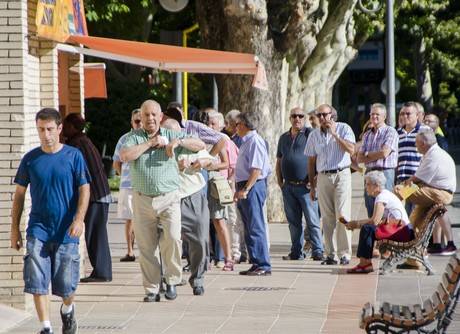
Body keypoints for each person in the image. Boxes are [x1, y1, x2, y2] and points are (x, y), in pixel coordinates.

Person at [10, 108, 90, 334]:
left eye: (49, 129)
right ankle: (46, 326)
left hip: (67, 230)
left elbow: (85, 188)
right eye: (40, 130)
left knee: (66, 286)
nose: (45, 134)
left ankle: (67, 309)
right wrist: (14, 229)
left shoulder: (73, 156)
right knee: (36, 277)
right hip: (38, 228)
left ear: (59, 129)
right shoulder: (30, 159)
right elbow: (19, 195)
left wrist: (79, 219)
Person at [120, 99, 205, 302]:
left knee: (174, 239)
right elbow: (125, 155)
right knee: (147, 245)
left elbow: (200, 144)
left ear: (160, 117)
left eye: (153, 115)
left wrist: (178, 143)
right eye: (145, 115)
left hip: (169, 198)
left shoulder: (171, 134)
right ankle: (151, 288)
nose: (149, 119)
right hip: (142, 199)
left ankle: (172, 281)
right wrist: (150, 143)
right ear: (140, 117)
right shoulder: (133, 138)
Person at [162, 118, 213, 296]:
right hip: (169, 197)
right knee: (170, 241)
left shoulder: (190, 142)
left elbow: (206, 157)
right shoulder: (160, 146)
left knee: (200, 239)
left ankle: (198, 277)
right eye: (169, 134)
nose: (173, 137)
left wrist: (202, 163)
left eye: (177, 133)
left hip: (193, 195)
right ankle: (170, 280)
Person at [63, 113, 113, 283]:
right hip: (100, 194)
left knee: (95, 235)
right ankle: (102, 271)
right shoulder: (84, 140)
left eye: (66, 125)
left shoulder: (77, 144)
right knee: (97, 234)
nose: (63, 129)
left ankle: (102, 272)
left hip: (95, 196)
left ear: (73, 127)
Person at [305, 104, 355, 265]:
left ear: (332, 115)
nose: (321, 118)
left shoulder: (344, 128)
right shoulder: (313, 135)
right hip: (323, 176)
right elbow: (311, 161)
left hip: (342, 174)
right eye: (318, 115)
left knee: (343, 214)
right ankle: (330, 254)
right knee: (327, 217)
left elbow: (351, 150)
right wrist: (312, 186)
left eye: (324, 115)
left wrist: (334, 135)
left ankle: (345, 253)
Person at [396, 130, 457, 255]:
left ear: (423, 143)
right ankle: (421, 247)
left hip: (441, 192)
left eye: (416, 143)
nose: (415, 145)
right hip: (435, 190)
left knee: (400, 191)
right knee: (414, 220)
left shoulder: (434, 155)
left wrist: (400, 188)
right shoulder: (432, 153)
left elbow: (416, 179)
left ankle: (393, 214)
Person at [276, 107, 323, 261]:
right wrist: (279, 180)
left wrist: (314, 179)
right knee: (293, 223)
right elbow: (279, 160)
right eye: (294, 116)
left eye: (301, 116)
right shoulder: (283, 138)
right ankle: (296, 252)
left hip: (306, 187)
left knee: (312, 220)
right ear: (290, 118)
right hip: (288, 187)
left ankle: (318, 251)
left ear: (305, 118)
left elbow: (318, 157)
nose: (297, 119)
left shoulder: (311, 134)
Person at [345, 171, 412, 274]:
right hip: (403, 230)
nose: (365, 187)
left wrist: (355, 224)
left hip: (401, 231)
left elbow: (374, 221)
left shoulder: (381, 197)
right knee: (368, 228)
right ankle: (365, 263)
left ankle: (364, 264)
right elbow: (378, 220)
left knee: (367, 228)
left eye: (367, 184)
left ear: (376, 185)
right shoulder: (385, 194)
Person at [234, 112, 272, 276]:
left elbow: (256, 170)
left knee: (255, 225)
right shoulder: (246, 141)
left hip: (252, 186)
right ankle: (256, 261)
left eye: (237, 124)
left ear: (243, 125)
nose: (236, 127)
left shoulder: (255, 141)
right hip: (245, 185)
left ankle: (263, 263)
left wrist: (246, 189)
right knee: (249, 226)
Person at [208, 110, 242, 267]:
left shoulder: (225, 141)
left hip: (222, 187)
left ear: (221, 125)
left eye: (213, 123)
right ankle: (213, 256)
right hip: (205, 185)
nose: (209, 126)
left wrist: (230, 183)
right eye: (207, 123)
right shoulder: (202, 139)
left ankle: (229, 256)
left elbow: (234, 165)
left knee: (225, 221)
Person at [357, 103, 399, 217]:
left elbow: (384, 153)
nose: (374, 116)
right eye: (372, 114)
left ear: (384, 116)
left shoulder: (390, 132)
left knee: (385, 206)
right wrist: (374, 155)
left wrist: (367, 154)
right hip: (369, 172)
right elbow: (359, 158)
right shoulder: (366, 135)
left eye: (377, 114)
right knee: (370, 205)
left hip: (385, 172)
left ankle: (386, 233)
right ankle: (374, 232)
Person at [112, 109, 142, 262]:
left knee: (143, 219)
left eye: (141, 120)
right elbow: (116, 162)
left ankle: (144, 249)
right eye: (136, 121)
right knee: (129, 219)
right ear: (131, 122)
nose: (140, 123)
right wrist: (124, 175)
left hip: (144, 185)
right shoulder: (124, 139)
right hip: (129, 185)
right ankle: (130, 251)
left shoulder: (149, 137)